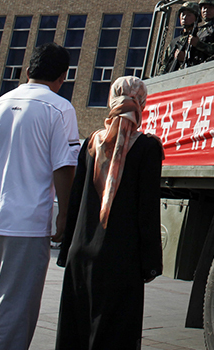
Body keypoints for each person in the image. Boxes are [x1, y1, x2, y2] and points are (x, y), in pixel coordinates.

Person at [0, 43, 81, 350]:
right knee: (14, 310)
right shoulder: (60, 108)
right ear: (63, 76)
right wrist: (64, 215)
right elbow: (64, 167)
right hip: (26, 226)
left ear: (28, 70)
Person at [55, 76, 164, 350]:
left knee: (76, 330)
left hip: (80, 255)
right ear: (141, 103)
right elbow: (147, 210)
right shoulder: (148, 147)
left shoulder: (92, 143)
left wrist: (66, 249)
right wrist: (150, 263)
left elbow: (76, 201)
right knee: (114, 335)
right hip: (121, 259)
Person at [187, 0, 214, 66]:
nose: (206, 10)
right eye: (204, 7)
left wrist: (198, 44)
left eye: (210, 8)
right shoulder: (199, 31)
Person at [166, 2, 201, 71]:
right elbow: (165, 63)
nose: (184, 17)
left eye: (188, 15)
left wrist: (184, 59)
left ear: (196, 18)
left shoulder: (199, 38)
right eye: (183, 14)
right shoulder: (174, 42)